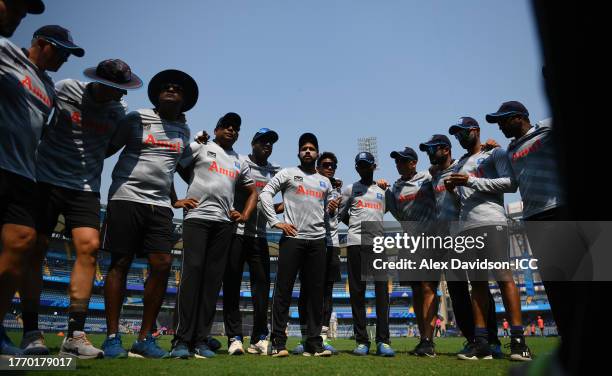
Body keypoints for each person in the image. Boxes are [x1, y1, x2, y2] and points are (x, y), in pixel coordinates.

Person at [18, 59, 141, 359]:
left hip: (85, 187)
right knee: (36, 248)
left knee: (90, 247)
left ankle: (75, 335)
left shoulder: (118, 111)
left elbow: (109, 146)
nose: (119, 95)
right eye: (114, 89)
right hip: (45, 178)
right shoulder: (65, 89)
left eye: (122, 90)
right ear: (98, 82)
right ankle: (32, 331)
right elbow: (40, 124)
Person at [100, 69, 197, 359]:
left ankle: (145, 337)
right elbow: (107, 148)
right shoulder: (136, 118)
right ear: (155, 95)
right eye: (165, 87)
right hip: (126, 197)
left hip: (160, 206)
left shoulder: (183, 131)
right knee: (121, 262)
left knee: (163, 263)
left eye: (177, 89)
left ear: (184, 100)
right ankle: (113, 337)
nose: (171, 89)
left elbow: (168, 170)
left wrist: (175, 200)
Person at [0, 23, 81, 357]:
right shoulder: (6, 54)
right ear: (41, 43)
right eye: (60, 51)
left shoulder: (48, 86)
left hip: (23, 174)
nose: (64, 59)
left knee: (23, 241)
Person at [170, 113, 257, 359]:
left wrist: (245, 214)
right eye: (227, 126)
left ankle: (199, 340)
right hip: (197, 218)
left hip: (224, 224)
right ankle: (181, 340)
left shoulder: (240, 161)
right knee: (192, 276)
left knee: (211, 284)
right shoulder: (202, 146)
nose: (231, 130)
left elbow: (253, 192)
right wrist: (176, 199)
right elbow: (174, 164)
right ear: (217, 129)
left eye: (236, 128)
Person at [447, 116, 531, 361]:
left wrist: (470, 180)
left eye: (464, 132)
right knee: (478, 285)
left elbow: (510, 184)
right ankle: (481, 342)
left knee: (504, 278)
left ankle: (518, 341)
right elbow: (460, 201)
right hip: (467, 227)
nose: (461, 137)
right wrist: (454, 191)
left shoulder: (494, 154)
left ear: (476, 131)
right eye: (457, 134)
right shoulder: (459, 163)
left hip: (492, 221)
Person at [418, 134, 503, 358]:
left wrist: (490, 148)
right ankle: (472, 339)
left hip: (465, 234)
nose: (428, 154)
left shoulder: (461, 167)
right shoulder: (433, 175)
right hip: (446, 240)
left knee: (479, 288)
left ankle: (491, 340)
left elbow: (482, 163)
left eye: (432, 149)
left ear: (446, 150)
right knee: (456, 292)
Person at [260, 132, 334, 357]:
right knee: (283, 291)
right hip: (292, 239)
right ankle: (278, 343)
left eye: (312, 148)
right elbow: (265, 193)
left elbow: (329, 214)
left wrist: (332, 211)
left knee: (315, 294)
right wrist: (275, 222)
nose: (308, 151)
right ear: (299, 153)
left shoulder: (325, 182)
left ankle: (314, 343)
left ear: (317, 153)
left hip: (318, 242)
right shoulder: (288, 174)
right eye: (304, 148)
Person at [221, 127, 281, 356]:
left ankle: (259, 338)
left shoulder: (274, 172)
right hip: (236, 233)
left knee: (261, 289)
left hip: (260, 237)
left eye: (271, 142)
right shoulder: (239, 162)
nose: (267, 145)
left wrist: (285, 208)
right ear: (253, 143)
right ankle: (234, 337)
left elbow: (270, 204)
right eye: (263, 141)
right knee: (232, 285)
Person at [382, 146, 438, 357]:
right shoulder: (395, 188)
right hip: (409, 240)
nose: (399, 164)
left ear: (414, 162)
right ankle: (423, 339)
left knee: (427, 287)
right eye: (397, 161)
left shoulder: (427, 178)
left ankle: (429, 340)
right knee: (415, 290)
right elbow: (393, 211)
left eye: (403, 161)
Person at [338, 151, 395, 357]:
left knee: (382, 293)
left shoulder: (383, 190)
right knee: (357, 293)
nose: (363, 168)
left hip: (378, 245)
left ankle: (383, 341)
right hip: (355, 245)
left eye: (367, 165)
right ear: (356, 168)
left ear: (373, 166)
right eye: (360, 165)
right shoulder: (349, 190)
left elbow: (386, 211)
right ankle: (362, 341)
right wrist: (356, 226)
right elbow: (341, 215)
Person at [293, 152, 342, 356]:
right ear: (318, 166)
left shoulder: (339, 190)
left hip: (332, 244)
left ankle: (321, 337)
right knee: (306, 290)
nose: (329, 168)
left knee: (327, 293)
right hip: (312, 243)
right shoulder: (309, 185)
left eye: (333, 165)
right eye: (325, 164)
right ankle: (305, 337)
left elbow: (347, 215)